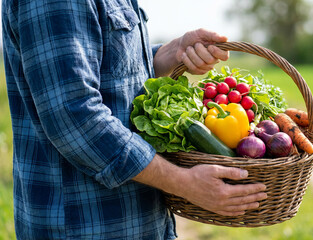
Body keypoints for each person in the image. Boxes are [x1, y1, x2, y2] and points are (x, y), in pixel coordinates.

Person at [2, 0, 267, 239]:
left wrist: (172, 52)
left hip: (139, 221)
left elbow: (111, 71)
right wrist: (184, 182)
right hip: (87, 225)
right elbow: (75, 117)